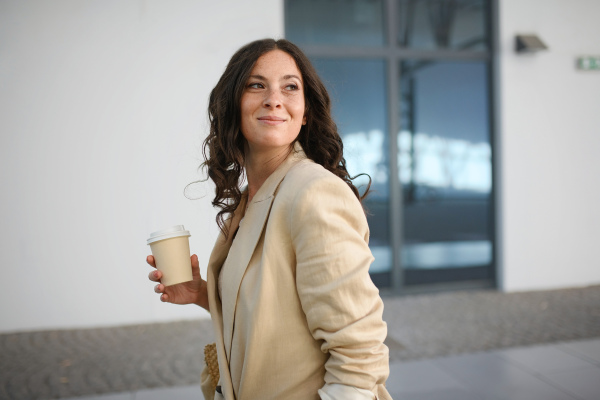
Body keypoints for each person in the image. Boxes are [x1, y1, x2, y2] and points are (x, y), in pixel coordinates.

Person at [146, 38, 391, 400]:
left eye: (290, 87)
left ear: (305, 111)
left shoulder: (313, 192)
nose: (274, 98)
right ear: (234, 104)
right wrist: (204, 294)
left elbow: (360, 353)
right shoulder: (255, 198)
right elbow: (274, 312)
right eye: (256, 85)